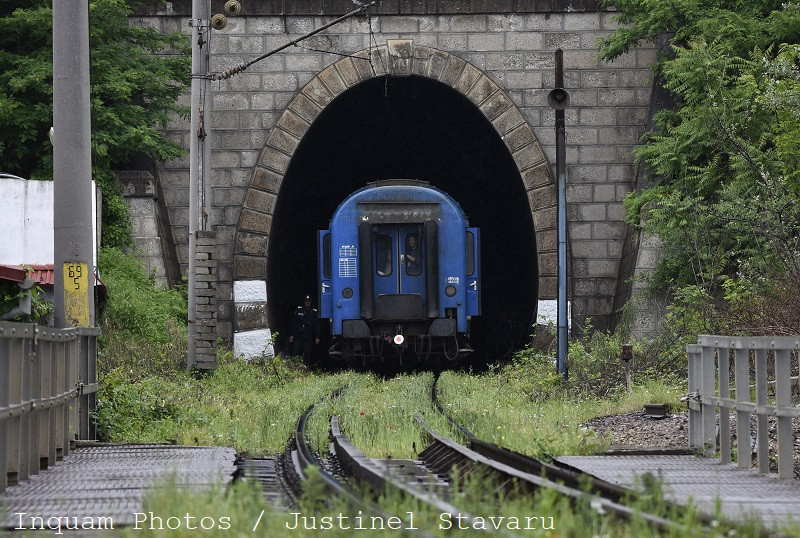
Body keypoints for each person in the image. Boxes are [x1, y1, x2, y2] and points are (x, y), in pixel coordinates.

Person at [289, 294, 320, 364]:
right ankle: (295, 366)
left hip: (308, 336)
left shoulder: (314, 312)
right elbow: (294, 324)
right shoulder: (299, 310)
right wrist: (291, 335)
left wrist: (317, 337)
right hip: (299, 335)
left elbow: (317, 325)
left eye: (309, 301)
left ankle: (307, 367)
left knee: (307, 353)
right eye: (306, 301)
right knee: (296, 352)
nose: (308, 302)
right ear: (304, 302)